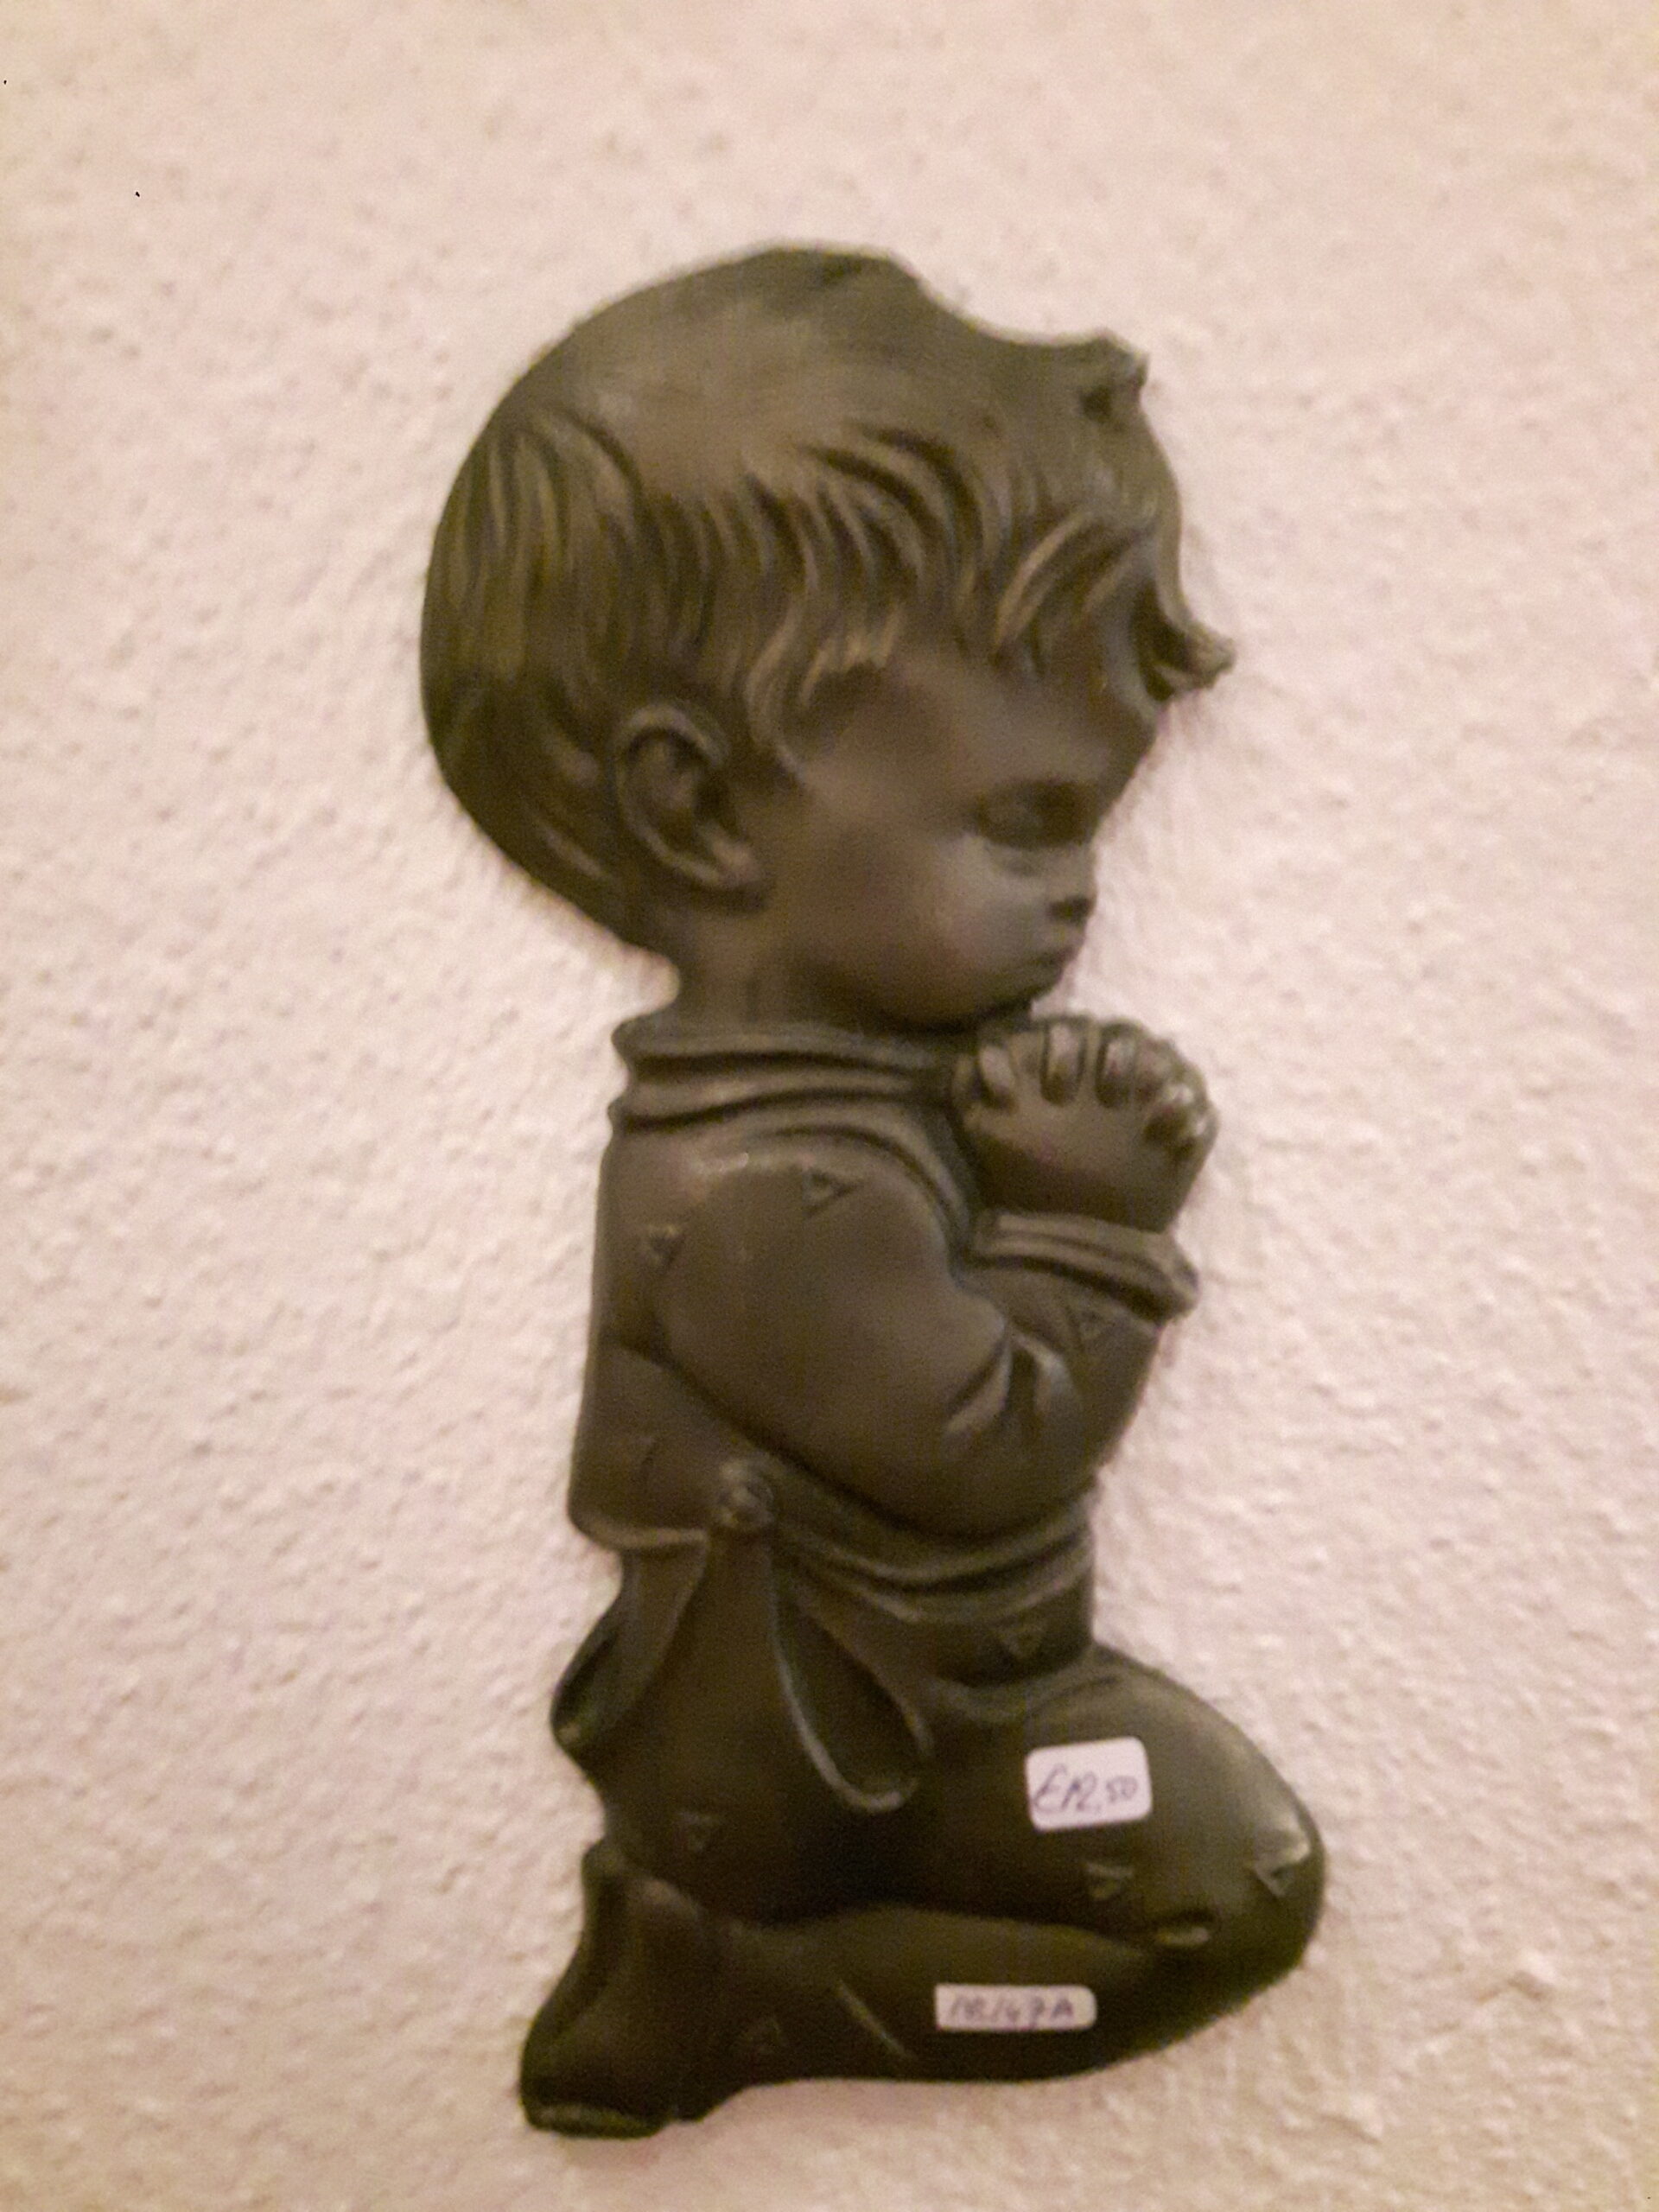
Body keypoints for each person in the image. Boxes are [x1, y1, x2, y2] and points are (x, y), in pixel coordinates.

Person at [421, 245, 1324, 2135]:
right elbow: (996, 1445)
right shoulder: (754, 1195)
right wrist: (1088, 1218)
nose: (1082, 889)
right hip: (831, 1777)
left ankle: (729, 1976)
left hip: (950, 1716)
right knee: (1228, 1896)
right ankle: (738, 1993)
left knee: (1233, 1866)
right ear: (697, 812)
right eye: (1023, 821)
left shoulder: (832, 1099)